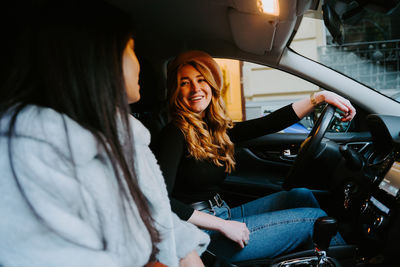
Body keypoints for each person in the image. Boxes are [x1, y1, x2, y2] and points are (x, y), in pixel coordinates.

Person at [0, 2, 209, 267]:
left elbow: (159, 218)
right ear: (97, 59)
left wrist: (186, 250)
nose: (139, 64)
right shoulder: (27, 154)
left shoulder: (128, 137)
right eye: (132, 50)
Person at [153, 50, 356, 262]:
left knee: (301, 195)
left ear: (211, 85)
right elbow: (160, 202)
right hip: (200, 234)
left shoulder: (213, 129)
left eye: (201, 80)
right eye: (185, 83)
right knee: (315, 221)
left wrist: (320, 98)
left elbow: (267, 124)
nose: (195, 88)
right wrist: (223, 225)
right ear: (176, 91)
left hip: (222, 212)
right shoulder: (173, 134)